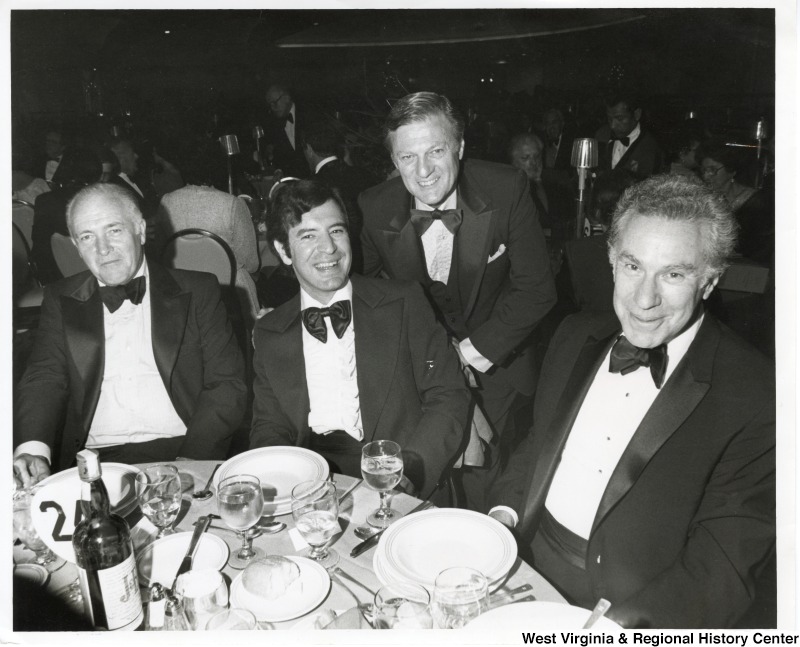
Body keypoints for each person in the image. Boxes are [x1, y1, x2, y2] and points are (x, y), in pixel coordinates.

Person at [488, 174, 775, 628]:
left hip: (635, 611)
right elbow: (536, 448)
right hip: (522, 564)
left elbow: (722, 568)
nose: (645, 299)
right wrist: (499, 523)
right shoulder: (573, 335)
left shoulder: (756, 394)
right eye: (633, 266)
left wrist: (615, 630)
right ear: (611, 260)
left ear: (710, 281)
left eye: (674, 274)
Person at [359, 91, 556, 512]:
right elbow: (369, 295)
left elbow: (537, 289)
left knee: (488, 479)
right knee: (422, 474)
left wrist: (465, 356)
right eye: (407, 158)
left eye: (436, 151)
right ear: (394, 161)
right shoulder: (373, 208)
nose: (424, 171)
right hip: (422, 365)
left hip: (496, 362)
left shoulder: (506, 190)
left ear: (460, 147)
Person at [13, 183, 247, 487]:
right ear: (76, 245)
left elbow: (227, 384)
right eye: (87, 237)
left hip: (183, 448)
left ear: (140, 229)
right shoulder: (61, 299)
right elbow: (44, 378)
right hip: (94, 461)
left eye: (114, 230)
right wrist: (33, 449)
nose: (102, 249)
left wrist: (193, 461)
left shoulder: (198, 290)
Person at [250, 180, 470, 499]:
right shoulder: (270, 330)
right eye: (309, 236)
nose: (329, 248)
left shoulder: (404, 302)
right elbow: (269, 429)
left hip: (399, 478)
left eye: (336, 231)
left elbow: (448, 396)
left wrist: (406, 475)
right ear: (283, 250)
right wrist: (280, 488)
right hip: (308, 491)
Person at [154, 137, 261, 325]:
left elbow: (162, 254)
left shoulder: (167, 202)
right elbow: (251, 263)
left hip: (185, 293)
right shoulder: (232, 204)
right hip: (230, 297)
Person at [302, 117, 377, 274]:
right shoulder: (366, 175)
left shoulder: (312, 187)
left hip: (336, 264)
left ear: (309, 149)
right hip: (375, 261)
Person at [699, 141, 773, 265]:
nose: (706, 176)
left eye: (713, 170)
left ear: (731, 171)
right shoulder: (704, 197)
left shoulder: (756, 202)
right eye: (704, 170)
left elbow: (763, 248)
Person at [597, 93, 664, 179]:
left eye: (619, 119)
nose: (612, 125)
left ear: (637, 114)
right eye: (609, 118)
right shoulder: (601, 135)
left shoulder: (651, 147)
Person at [264, 83, 309, 179]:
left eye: (275, 102)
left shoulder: (308, 114)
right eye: (270, 105)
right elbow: (278, 154)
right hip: (294, 180)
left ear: (287, 98)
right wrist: (279, 170)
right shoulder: (273, 124)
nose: (272, 108)